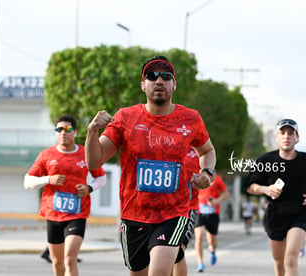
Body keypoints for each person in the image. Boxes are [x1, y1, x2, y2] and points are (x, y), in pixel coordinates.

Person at [84, 55, 216, 276]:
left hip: (174, 212)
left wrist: (207, 171)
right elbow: (94, 161)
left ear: (174, 84)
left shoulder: (190, 118)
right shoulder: (125, 118)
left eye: (166, 76)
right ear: (143, 85)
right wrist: (92, 131)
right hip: (133, 214)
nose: (159, 81)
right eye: (152, 76)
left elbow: (208, 150)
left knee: (160, 272)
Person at [24, 115, 107, 276]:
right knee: (57, 262)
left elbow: (101, 177)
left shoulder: (85, 153)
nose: (63, 132)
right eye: (59, 129)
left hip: (77, 213)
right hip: (53, 215)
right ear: (55, 133)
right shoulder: (46, 155)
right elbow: (27, 182)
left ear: (75, 132)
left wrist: (89, 188)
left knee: (69, 258)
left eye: (68, 129)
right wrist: (49, 179)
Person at [244, 118, 306, 276]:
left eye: (290, 133)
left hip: (299, 214)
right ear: (277, 137)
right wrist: (266, 189)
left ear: (297, 137)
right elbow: (250, 187)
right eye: (283, 133)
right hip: (275, 215)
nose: (286, 136)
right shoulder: (266, 161)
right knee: (279, 262)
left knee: (290, 259)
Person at [172, 147, 202, 276]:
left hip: (188, 209)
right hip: (166, 208)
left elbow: (210, 174)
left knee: (178, 250)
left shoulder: (198, 150)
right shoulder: (167, 143)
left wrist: (203, 178)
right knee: (164, 250)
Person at [194, 174, 229, 273]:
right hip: (199, 211)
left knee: (212, 239)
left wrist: (216, 201)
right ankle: (200, 263)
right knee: (199, 235)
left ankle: (212, 251)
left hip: (213, 212)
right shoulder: (196, 176)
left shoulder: (217, 178)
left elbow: (226, 193)